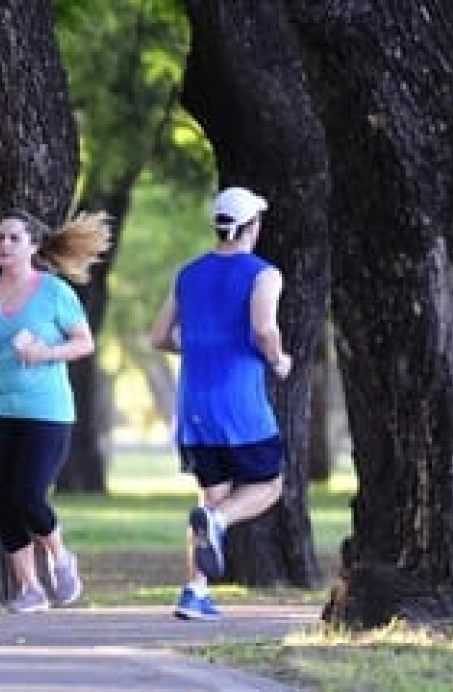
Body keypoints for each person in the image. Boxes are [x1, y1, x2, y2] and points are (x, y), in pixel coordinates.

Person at [150, 186, 293, 621]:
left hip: (194, 402)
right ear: (254, 225)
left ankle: (194, 593)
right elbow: (264, 329)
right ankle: (221, 523)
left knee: (210, 498)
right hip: (239, 403)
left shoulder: (187, 274)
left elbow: (158, 337)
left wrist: (199, 346)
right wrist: (280, 359)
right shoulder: (264, 274)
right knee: (269, 485)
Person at [0, 208, 111, 613]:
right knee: (3, 502)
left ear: (33, 246)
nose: (4, 245)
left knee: (29, 495)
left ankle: (61, 558)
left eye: (13, 238)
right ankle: (30, 589)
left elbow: (84, 343)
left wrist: (45, 352)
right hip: (1, 408)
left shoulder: (55, 292)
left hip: (48, 411)